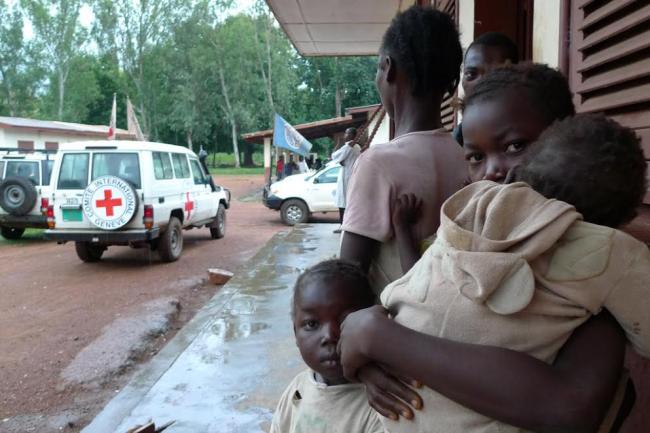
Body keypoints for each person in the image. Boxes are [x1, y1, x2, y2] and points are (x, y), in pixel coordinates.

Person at [338, 64, 634, 433]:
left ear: (566, 139)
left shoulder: (592, 260)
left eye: (515, 146)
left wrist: (380, 338)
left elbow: (568, 407)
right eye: (476, 157)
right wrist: (375, 362)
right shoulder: (470, 228)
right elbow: (424, 297)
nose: (493, 171)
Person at [340, 5, 466, 293]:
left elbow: (347, 279)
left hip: (394, 317)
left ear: (388, 68)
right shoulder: (467, 159)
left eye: (378, 68)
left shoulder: (377, 164)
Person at [270, 260, 383, 433]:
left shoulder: (380, 408)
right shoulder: (298, 389)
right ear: (295, 333)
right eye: (312, 324)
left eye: (346, 320)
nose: (329, 336)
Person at [454, 32, 519, 145]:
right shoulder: (453, 144)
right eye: (471, 74)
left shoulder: (535, 140)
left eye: (495, 75)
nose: (481, 84)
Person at [331, 127, 361, 234]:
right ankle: (351, 225)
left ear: (352, 135)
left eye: (347, 133)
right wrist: (340, 160)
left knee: (342, 203)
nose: (345, 135)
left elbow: (334, 156)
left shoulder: (348, 146)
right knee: (350, 202)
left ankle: (343, 226)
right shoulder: (357, 146)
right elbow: (340, 159)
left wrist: (338, 143)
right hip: (353, 176)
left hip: (346, 178)